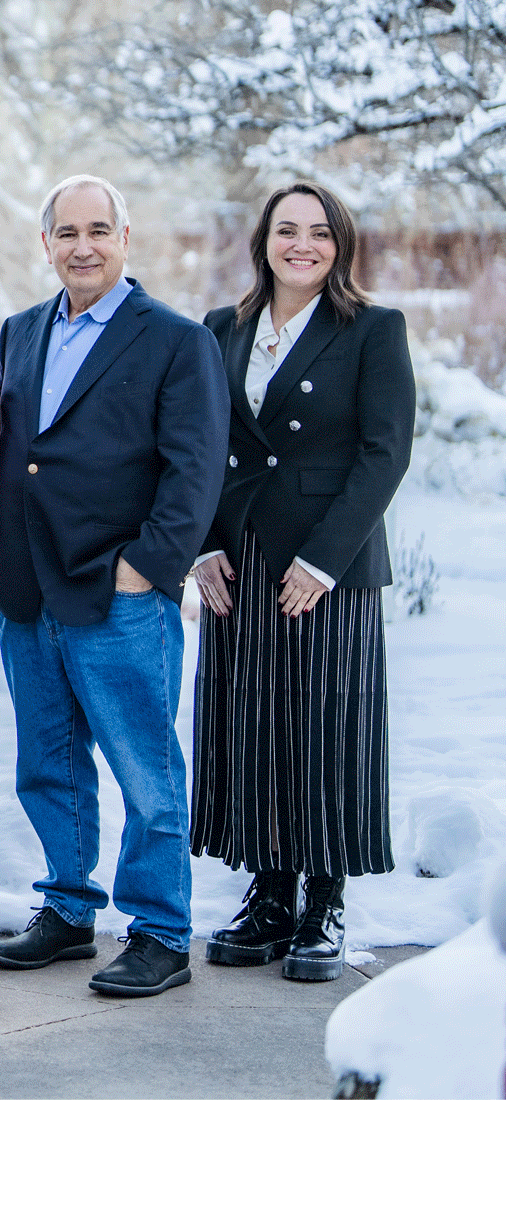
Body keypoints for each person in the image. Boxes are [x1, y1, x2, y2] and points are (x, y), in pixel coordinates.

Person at [0, 174, 229, 997]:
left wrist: (146, 568)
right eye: (66, 232)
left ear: (125, 238)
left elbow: (196, 470)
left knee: (146, 772)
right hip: (28, 591)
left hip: (119, 593)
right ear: (45, 243)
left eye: (97, 231)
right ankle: (68, 908)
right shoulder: (20, 331)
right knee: (47, 764)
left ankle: (160, 932)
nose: (81, 247)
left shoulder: (176, 340)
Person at [191, 182, 415, 981]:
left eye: (320, 233)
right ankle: (268, 896)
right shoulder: (223, 328)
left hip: (329, 563)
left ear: (340, 245)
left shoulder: (373, 329)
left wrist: (324, 561)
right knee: (252, 724)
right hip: (240, 556)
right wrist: (201, 547)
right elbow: (197, 441)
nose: (303, 245)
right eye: (287, 230)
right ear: (263, 241)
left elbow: (385, 452)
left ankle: (324, 903)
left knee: (325, 726)